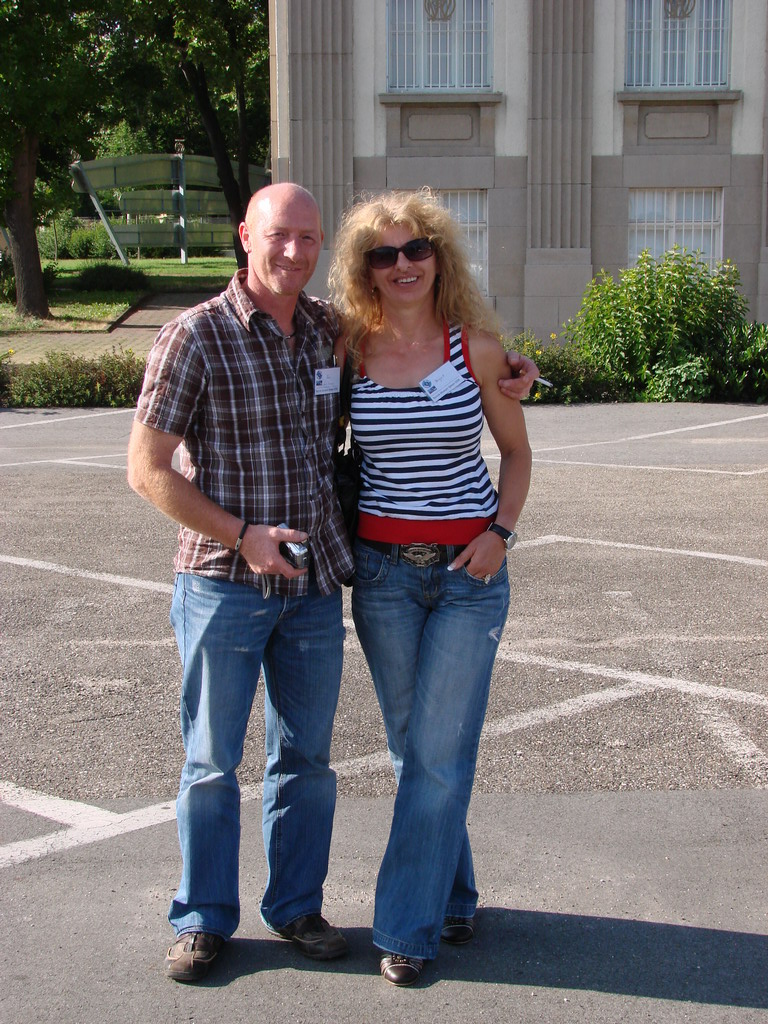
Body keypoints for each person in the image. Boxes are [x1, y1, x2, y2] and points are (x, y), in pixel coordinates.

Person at [127, 182, 539, 983]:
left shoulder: (335, 333)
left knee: (333, 759)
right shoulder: (220, 336)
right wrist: (241, 535)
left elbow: (491, 409)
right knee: (217, 762)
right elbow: (146, 470)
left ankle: (334, 914)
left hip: (338, 581)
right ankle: (204, 918)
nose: (400, 263)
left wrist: (514, 377)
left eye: (307, 238)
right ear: (245, 235)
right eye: (382, 253)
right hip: (244, 578)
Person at [328, 189, 533, 987]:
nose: (403, 264)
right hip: (382, 575)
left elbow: (516, 453)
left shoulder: (476, 348)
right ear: (365, 268)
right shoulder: (348, 349)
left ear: (439, 257)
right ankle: (454, 894)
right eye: (384, 254)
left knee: (439, 752)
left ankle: (406, 930)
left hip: (467, 575)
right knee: (416, 747)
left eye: (416, 248)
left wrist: (500, 534)